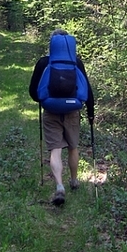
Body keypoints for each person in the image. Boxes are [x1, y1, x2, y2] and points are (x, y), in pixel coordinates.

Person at [29, 29, 95, 206]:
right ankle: (74, 181)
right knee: (73, 147)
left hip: (51, 111)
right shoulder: (76, 63)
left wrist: (45, 100)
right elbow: (87, 90)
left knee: (55, 149)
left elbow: (33, 92)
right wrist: (90, 113)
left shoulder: (43, 62)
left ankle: (59, 186)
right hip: (72, 110)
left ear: (51, 44)